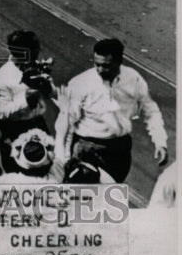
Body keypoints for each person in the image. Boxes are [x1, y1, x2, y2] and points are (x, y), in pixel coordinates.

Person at [55, 38, 167, 183]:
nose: (100, 70)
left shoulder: (133, 79)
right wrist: (64, 159)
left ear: (119, 61)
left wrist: (160, 142)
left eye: (106, 66)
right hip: (87, 149)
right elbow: (66, 122)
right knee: (83, 196)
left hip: (119, 150)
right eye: (97, 64)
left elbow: (150, 110)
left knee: (112, 194)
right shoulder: (80, 83)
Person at [0, 29, 58, 172]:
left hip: (38, 125)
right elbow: (1, 113)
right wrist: (25, 99)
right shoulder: (2, 78)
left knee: (48, 167)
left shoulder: (35, 68)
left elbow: (52, 94)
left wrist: (47, 87)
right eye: (32, 53)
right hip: (14, 130)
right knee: (19, 172)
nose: (36, 57)